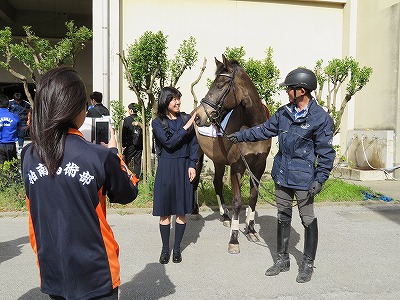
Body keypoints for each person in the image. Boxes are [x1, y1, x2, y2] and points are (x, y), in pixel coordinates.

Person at [21, 67, 139, 300]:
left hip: (52, 270)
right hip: (97, 273)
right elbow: (128, 192)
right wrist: (114, 152)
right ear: (77, 109)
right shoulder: (98, 156)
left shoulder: (28, 155)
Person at [227, 68, 336, 283]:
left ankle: (307, 264)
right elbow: (263, 130)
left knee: (307, 219)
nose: (287, 92)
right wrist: (240, 135)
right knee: (283, 216)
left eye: (290, 89)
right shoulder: (284, 113)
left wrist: (320, 179)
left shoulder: (320, 119)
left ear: (301, 91)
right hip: (282, 175)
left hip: (304, 179)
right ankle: (282, 260)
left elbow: (326, 152)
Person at [152, 86, 198, 264]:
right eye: (174, 99)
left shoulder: (185, 118)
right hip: (166, 166)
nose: (178, 102)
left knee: (181, 211)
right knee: (165, 213)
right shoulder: (157, 122)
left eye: (178, 98)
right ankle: (165, 249)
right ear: (166, 101)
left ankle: (177, 249)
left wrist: (193, 164)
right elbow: (169, 143)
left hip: (184, 165)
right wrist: (187, 127)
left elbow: (194, 144)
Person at [122, 103, 143, 178]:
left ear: (131, 110)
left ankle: (125, 176)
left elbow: (124, 133)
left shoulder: (127, 120)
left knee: (126, 161)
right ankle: (136, 178)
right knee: (138, 162)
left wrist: (123, 144)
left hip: (130, 144)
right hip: (140, 144)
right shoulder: (140, 119)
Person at [0, 93, 20, 164]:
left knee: (1, 168)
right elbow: (19, 127)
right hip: (11, 145)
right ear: (9, 104)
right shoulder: (15, 116)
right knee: (13, 167)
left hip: (0, 145)